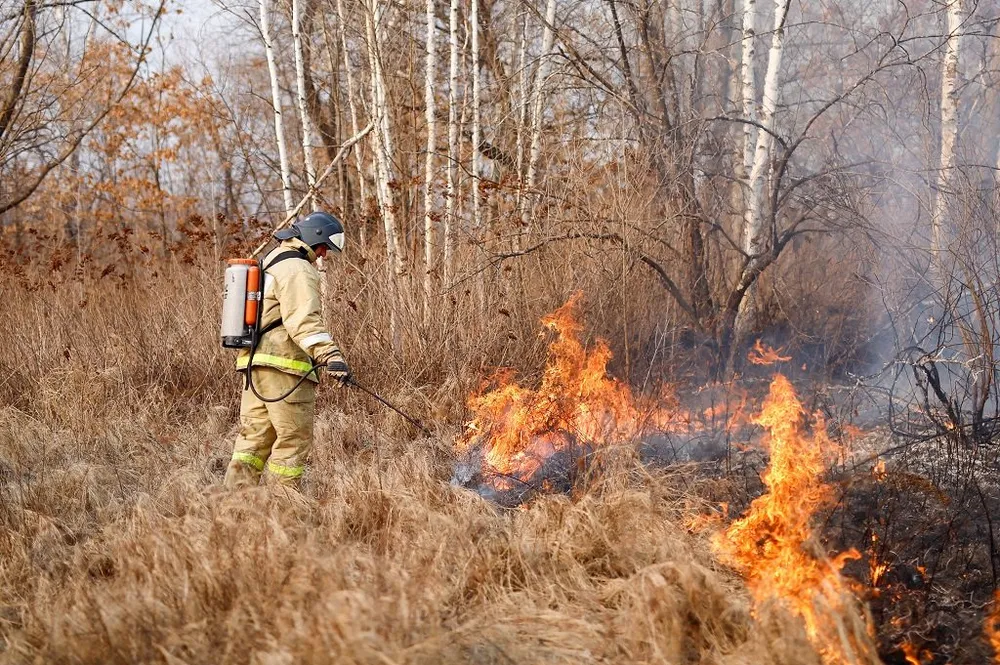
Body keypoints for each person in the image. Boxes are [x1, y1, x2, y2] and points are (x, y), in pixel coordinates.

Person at [224, 211, 351, 490]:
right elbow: (303, 321)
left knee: (252, 442)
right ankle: (286, 509)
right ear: (312, 238)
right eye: (322, 249)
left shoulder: (271, 261)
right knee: (293, 440)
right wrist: (331, 356)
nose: (323, 256)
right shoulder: (298, 269)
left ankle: (233, 508)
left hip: (254, 364)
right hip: (285, 366)